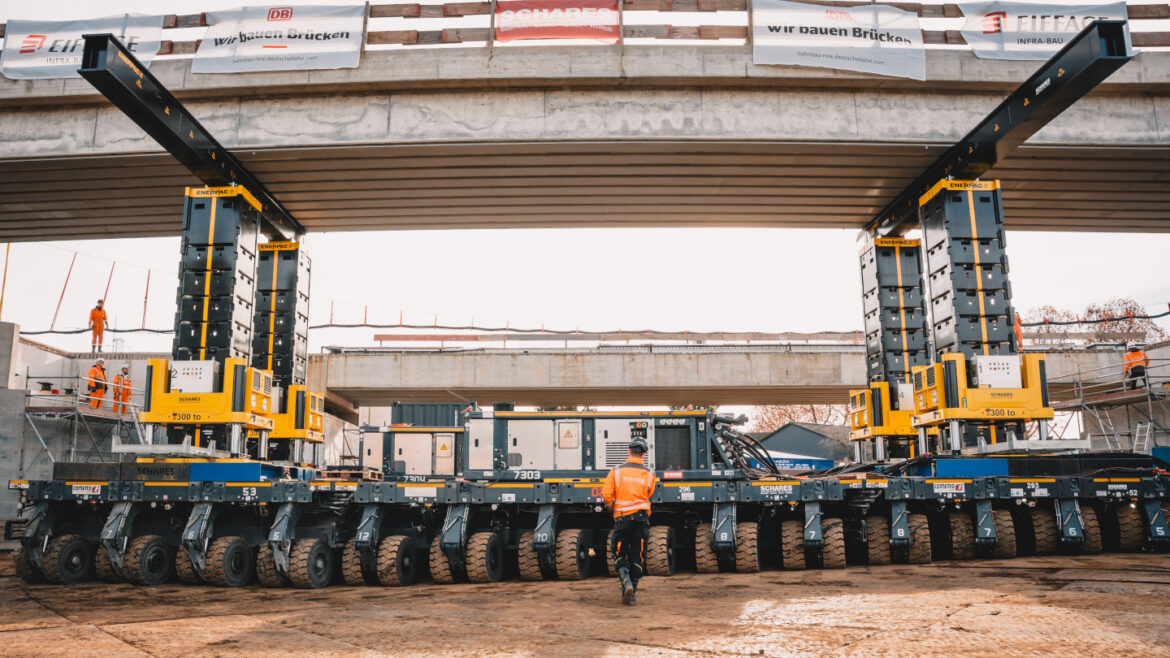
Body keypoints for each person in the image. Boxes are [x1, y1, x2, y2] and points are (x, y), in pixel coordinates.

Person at [602, 436, 656, 605]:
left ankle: (625, 580)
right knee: (638, 556)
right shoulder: (650, 474)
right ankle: (632, 593)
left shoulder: (616, 471)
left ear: (629, 452)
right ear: (644, 454)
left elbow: (606, 495)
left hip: (623, 519)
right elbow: (649, 493)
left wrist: (612, 507)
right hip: (641, 519)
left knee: (618, 552)